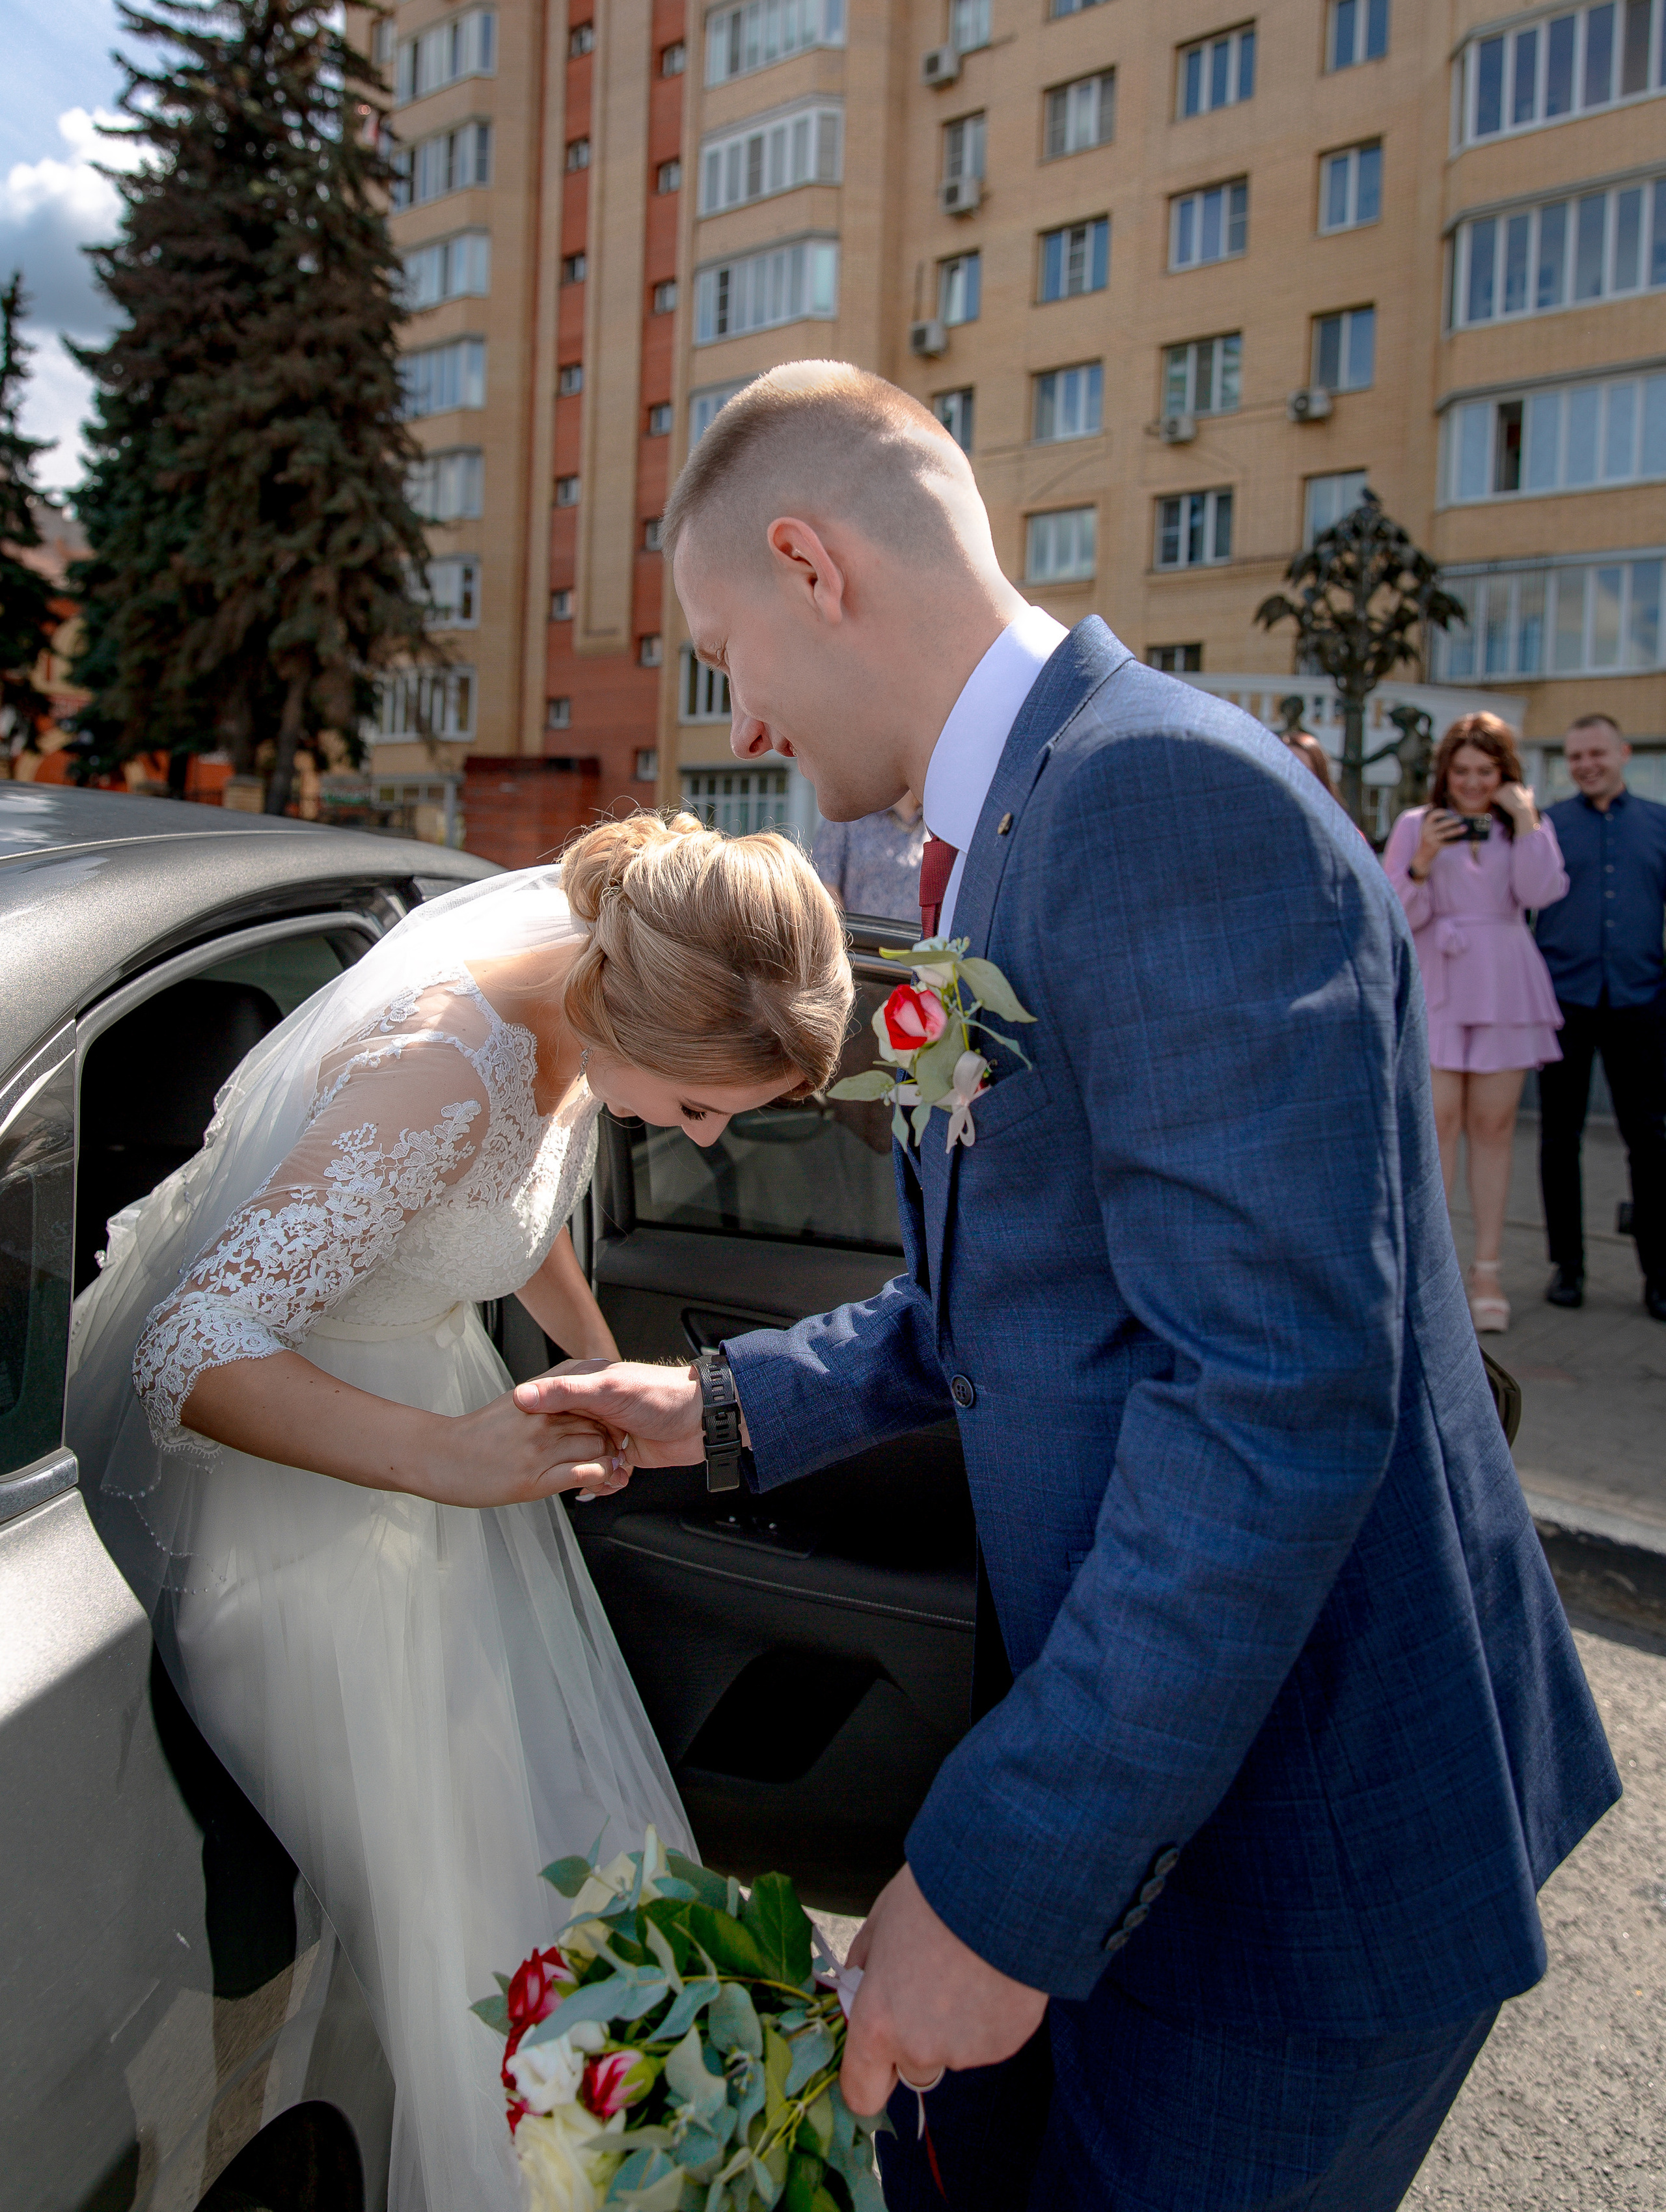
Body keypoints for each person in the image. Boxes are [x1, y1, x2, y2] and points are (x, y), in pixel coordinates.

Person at [525, 363, 1618, 2212]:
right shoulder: (988, 844)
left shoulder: (1159, 799)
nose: (743, 707)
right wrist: (715, 1409)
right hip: (1162, 1807)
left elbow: (1272, 1400)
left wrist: (1012, 1874)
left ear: (813, 565)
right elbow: (993, 1293)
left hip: (1285, 1859)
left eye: (725, 646)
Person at [67, 813, 851, 2211]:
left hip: (433, 1426)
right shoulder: (431, 1067)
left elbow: (509, 1198)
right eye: (691, 1105)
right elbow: (189, 1349)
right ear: (625, 1015)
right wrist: (446, 1457)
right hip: (306, 1490)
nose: (704, 1132)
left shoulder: (567, 993)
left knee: (547, 1869)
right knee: (468, 1924)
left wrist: (592, 1356)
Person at [1383, 714, 1568, 1335]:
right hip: (1439, 981)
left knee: (1494, 1127)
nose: (1470, 783)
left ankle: (1487, 1269)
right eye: (1460, 771)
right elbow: (1394, 913)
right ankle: (1432, 1272)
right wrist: (1423, 861)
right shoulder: (1416, 825)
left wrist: (1528, 820)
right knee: (1436, 1126)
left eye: (1485, 772)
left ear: (1505, 774)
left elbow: (1541, 893)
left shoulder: (1523, 829)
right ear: (1445, 773)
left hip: (1505, 982)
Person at [1533, 713, 1666, 1320]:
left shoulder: (1659, 825)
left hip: (1640, 1001)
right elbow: (1470, 834)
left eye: (1597, 753)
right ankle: (1569, 1267)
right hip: (1564, 1001)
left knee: (1651, 1142)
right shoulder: (1545, 825)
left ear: (1623, 752)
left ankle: (1658, 1275)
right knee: (1561, 1140)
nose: (1586, 764)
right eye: (1576, 756)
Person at [812, 787, 927, 919]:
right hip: (858, 937)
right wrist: (843, 934)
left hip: (919, 938)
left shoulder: (939, 824)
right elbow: (824, 882)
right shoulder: (850, 813)